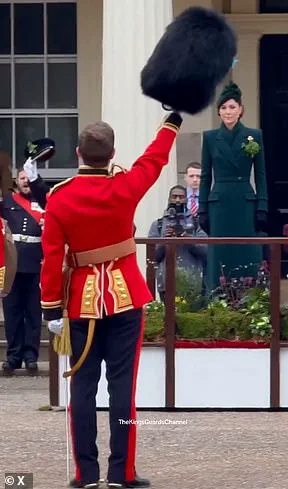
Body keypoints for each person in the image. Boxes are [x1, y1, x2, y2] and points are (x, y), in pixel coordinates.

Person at [40, 111, 183, 489]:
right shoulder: (125, 186)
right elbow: (154, 159)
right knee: (122, 389)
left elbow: (52, 257)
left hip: (80, 304)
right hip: (124, 297)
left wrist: (51, 307)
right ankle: (122, 472)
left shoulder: (60, 197)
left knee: (83, 388)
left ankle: (86, 474)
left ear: (77, 154)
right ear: (112, 153)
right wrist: (172, 121)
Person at [198, 81, 268, 291]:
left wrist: (262, 206)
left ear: (240, 110)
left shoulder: (254, 136)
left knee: (246, 251)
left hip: (245, 201)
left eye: (232, 107)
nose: (228, 112)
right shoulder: (210, 137)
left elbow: (261, 174)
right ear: (219, 111)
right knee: (220, 252)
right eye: (224, 108)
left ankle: (250, 296)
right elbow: (205, 176)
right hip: (219, 203)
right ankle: (217, 298)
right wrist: (202, 208)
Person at [1, 169, 44, 374]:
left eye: (28, 178)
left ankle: (30, 356)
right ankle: (13, 356)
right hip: (12, 265)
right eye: (22, 178)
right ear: (16, 182)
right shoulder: (7, 202)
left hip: (35, 263)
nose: (26, 181)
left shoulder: (44, 201)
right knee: (12, 313)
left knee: (34, 314)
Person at [148, 185, 207, 302]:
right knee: (168, 319)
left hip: (192, 284)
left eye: (181, 197)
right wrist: (165, 241)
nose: (178, 200)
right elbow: (151, 256)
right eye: (174, 197)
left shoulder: (197, 223)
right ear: (169, 199)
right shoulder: (158, 225)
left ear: (186, 199)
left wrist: (186, 237)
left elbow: (206, 251)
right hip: (166, 284)